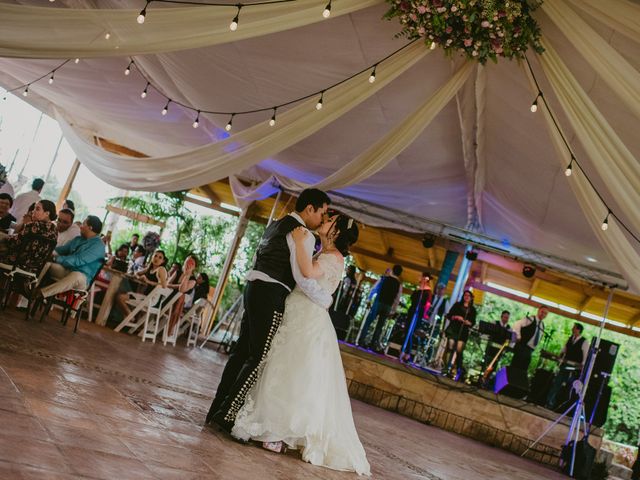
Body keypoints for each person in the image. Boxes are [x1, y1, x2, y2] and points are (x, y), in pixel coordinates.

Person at [232, 213, 370, 476]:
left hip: (308, 319)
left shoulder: (332, 258)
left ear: (336, 233)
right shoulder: (325, 253)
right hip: (299, 313)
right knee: (285, 368)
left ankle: (280, 432)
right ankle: (276, 427)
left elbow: (307, 272)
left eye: (330, 221)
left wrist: (297, 242)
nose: (325, 222)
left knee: (294, 372)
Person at [205, 188, 332, 433]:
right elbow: (301, 277)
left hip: (254, 287)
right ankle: (227, 414)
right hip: (272, 292)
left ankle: (216, 408)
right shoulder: (302, 234)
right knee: (259, 356)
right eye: (322, 213)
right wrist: (325, 300)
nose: (322, 219)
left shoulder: (276, 224)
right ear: (310, 209)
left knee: (241, 353)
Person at [38, 216, 105, 298]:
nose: (81, 226)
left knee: (76, 276)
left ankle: (40, 293)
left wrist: (56, 258)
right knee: (48, 263)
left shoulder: (98, 245)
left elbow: (78, 261)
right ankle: (32, 286)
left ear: (90, 227)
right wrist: (47, 252)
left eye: (83, 224)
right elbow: (60, 250)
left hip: (83, 279)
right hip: (67, 270)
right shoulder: (78, 239)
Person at [0, 200, 58, 274]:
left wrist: (7, 237)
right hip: (35, 268)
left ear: (47, 213)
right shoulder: (55, 230)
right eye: (34, 208)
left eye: (37, 209)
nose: (33, 211)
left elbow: (13, 242)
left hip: (17, 262)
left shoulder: (33, 225)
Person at [358, 264, 403, 352]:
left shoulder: (384, 279)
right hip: (388, 306)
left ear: (393, 270)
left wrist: (369, 299)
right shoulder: (399, 285)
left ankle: (361, 341)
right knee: (380, 326)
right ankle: (372, 345)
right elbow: (397, 299)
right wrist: (393, 310)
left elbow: (374, 289)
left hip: (378, 302)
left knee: (368, 322)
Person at [546, 322, 589, 410]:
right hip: (565, 364)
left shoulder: (584, 341)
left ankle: (562, 406)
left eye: (574, 328)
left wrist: (582, 366)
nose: (572, 329)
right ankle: (550, 402)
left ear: (578, 330)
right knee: (557, 383)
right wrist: (559, 358)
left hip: (575, 368)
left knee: (569, 387)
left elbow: (585, 355)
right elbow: (564, 350)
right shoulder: (570, 339)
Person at [116, 249, 169, 318]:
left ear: (163, 261)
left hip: (152, 300)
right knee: (120, 295)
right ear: (152, 257)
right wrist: (139, 277)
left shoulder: (161, 269)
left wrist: (147, 281)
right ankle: (130, 317)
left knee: (120, 297)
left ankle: (130, 317)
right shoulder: (150, 268)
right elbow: (137, 273)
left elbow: (164, 285)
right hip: (145, 297)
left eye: (160, 257)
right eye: (155, 256)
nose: (157, 258)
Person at [442, 290, 477, 378]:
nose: (466, 297)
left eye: (468, 296)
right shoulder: (457, 305)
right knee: (450, 348)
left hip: (463, 331)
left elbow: (473, 322)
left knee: (459, 351)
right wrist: (456, 317)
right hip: (453, 328)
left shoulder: (472, 309)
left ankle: (456, 369)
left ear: (471, 298)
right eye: (465, 295)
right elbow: (449, 315)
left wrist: (467, 322)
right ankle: (446, 368)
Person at [399, 272, 432, 362]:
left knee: (410, 331)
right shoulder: (418, 289)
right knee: (407, 330)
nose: (419, 278)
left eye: (421, 276)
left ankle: (407, 352)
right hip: (412, 310)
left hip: (418, 312)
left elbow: (427, 304)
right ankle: (406, 352)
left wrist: (425, 313)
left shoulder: (427, 291)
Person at [510, 305, 549, 372]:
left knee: (523, 369)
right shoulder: (530, 319)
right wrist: (518, 336)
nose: (543, 314)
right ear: (538, 310)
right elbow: (517, 324)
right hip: (522, 347)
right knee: (515, 367)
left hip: (530, 350)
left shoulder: (542, 325)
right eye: (542, 312)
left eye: (545, 313)